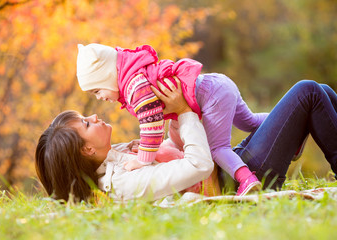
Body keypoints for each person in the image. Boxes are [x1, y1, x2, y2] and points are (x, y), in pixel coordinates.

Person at [76, 43, 266, 195]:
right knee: (249, 122)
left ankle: (247, 180)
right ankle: (295, 130)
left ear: (108, 75)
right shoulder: (136, 77)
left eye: (97, 90)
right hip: (217, 84)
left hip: (211, 96)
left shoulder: (135, 88)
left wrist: (143, 159)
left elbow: (152, 124)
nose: (99, 97)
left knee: (217, 148)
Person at [35, 79, 217, 202]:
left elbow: (173, 162)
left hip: (221, 162)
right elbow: (198, 165)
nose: (94, 116)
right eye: (87, 124)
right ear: (87, 150)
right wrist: (184, 113)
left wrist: (158, 145)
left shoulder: (115, 155)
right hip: (220, 180)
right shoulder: (124, 182)